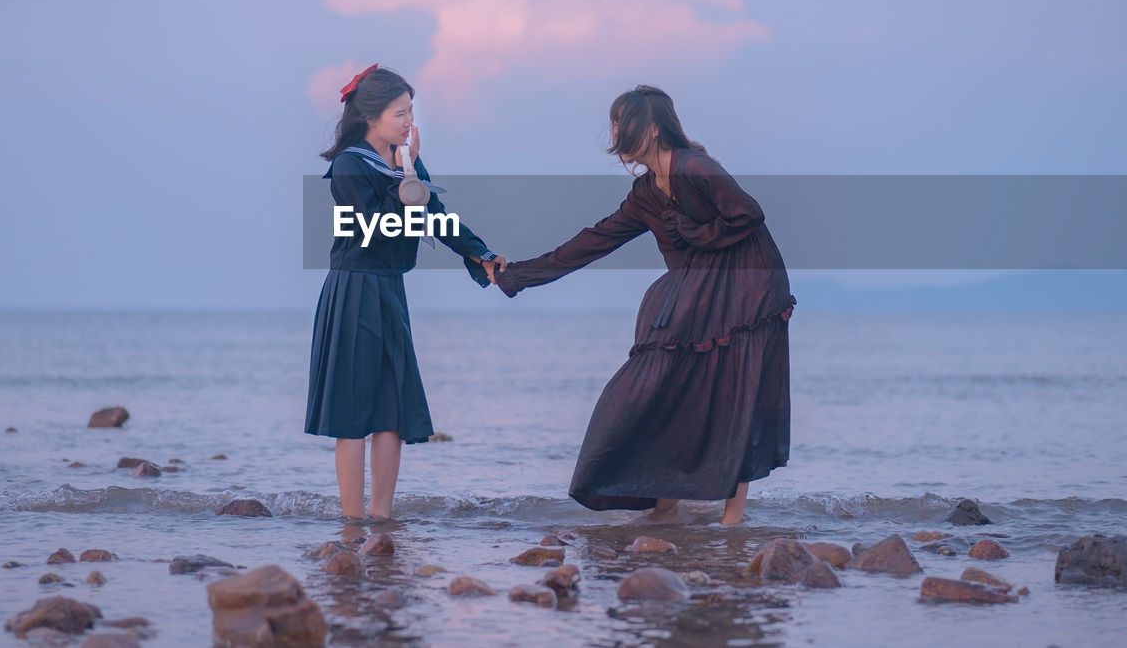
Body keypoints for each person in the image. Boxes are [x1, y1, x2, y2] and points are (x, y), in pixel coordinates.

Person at [494, 85, 794, 525]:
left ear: (653, 129)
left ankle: (733, 517)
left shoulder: (695, 167)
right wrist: (516, 275)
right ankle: (665, 505)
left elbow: (748, 213)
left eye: (623, 122)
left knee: (735, 390)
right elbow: (593, 241)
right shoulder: (646, 194)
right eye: (614, 122)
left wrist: (695, 234)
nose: (615, 131)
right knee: (658, 383)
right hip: (698, 285)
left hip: (748, 282)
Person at [308, 64, 506, 520]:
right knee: (352, 414)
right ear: (372, 116)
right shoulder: (348, 165)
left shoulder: (403, 163)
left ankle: (382, 519)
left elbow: (436, 215)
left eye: (411, 111)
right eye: (400, 112)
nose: (408, 121)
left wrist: (480, 254)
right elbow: (371, 225)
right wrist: (405, 179)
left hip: (390, 290)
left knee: (390, 410)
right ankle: (352, 522)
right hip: (354, 289)